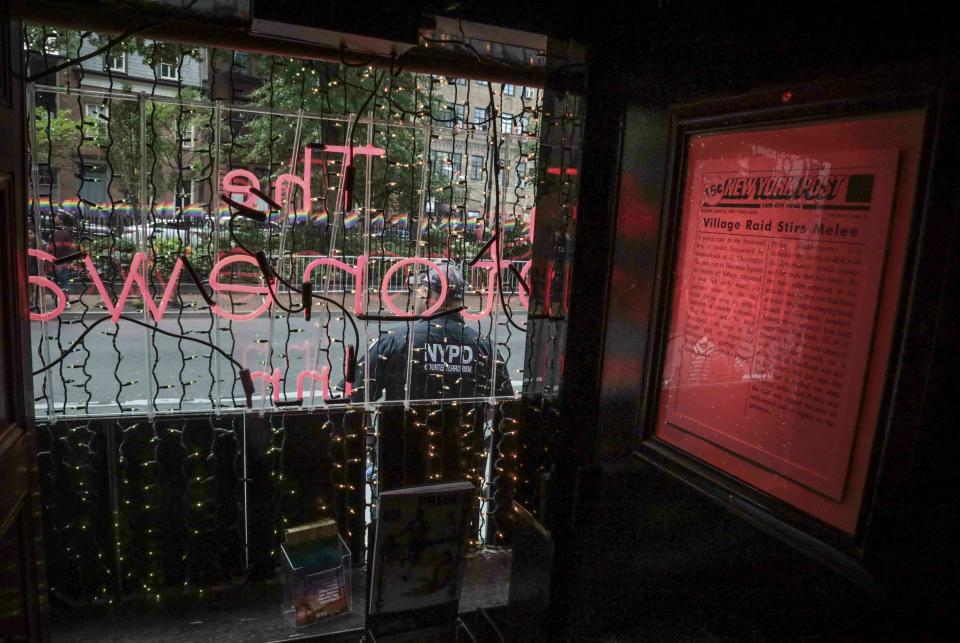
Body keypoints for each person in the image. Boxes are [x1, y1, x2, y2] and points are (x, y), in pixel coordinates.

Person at [348, 259, 514, 490]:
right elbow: (502, 409)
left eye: (418, 291)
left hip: (401, 469)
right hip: (461, 471)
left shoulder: (394, 342)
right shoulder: (485, 347)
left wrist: (371, 445)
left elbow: (356, 403)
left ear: (427, 294)